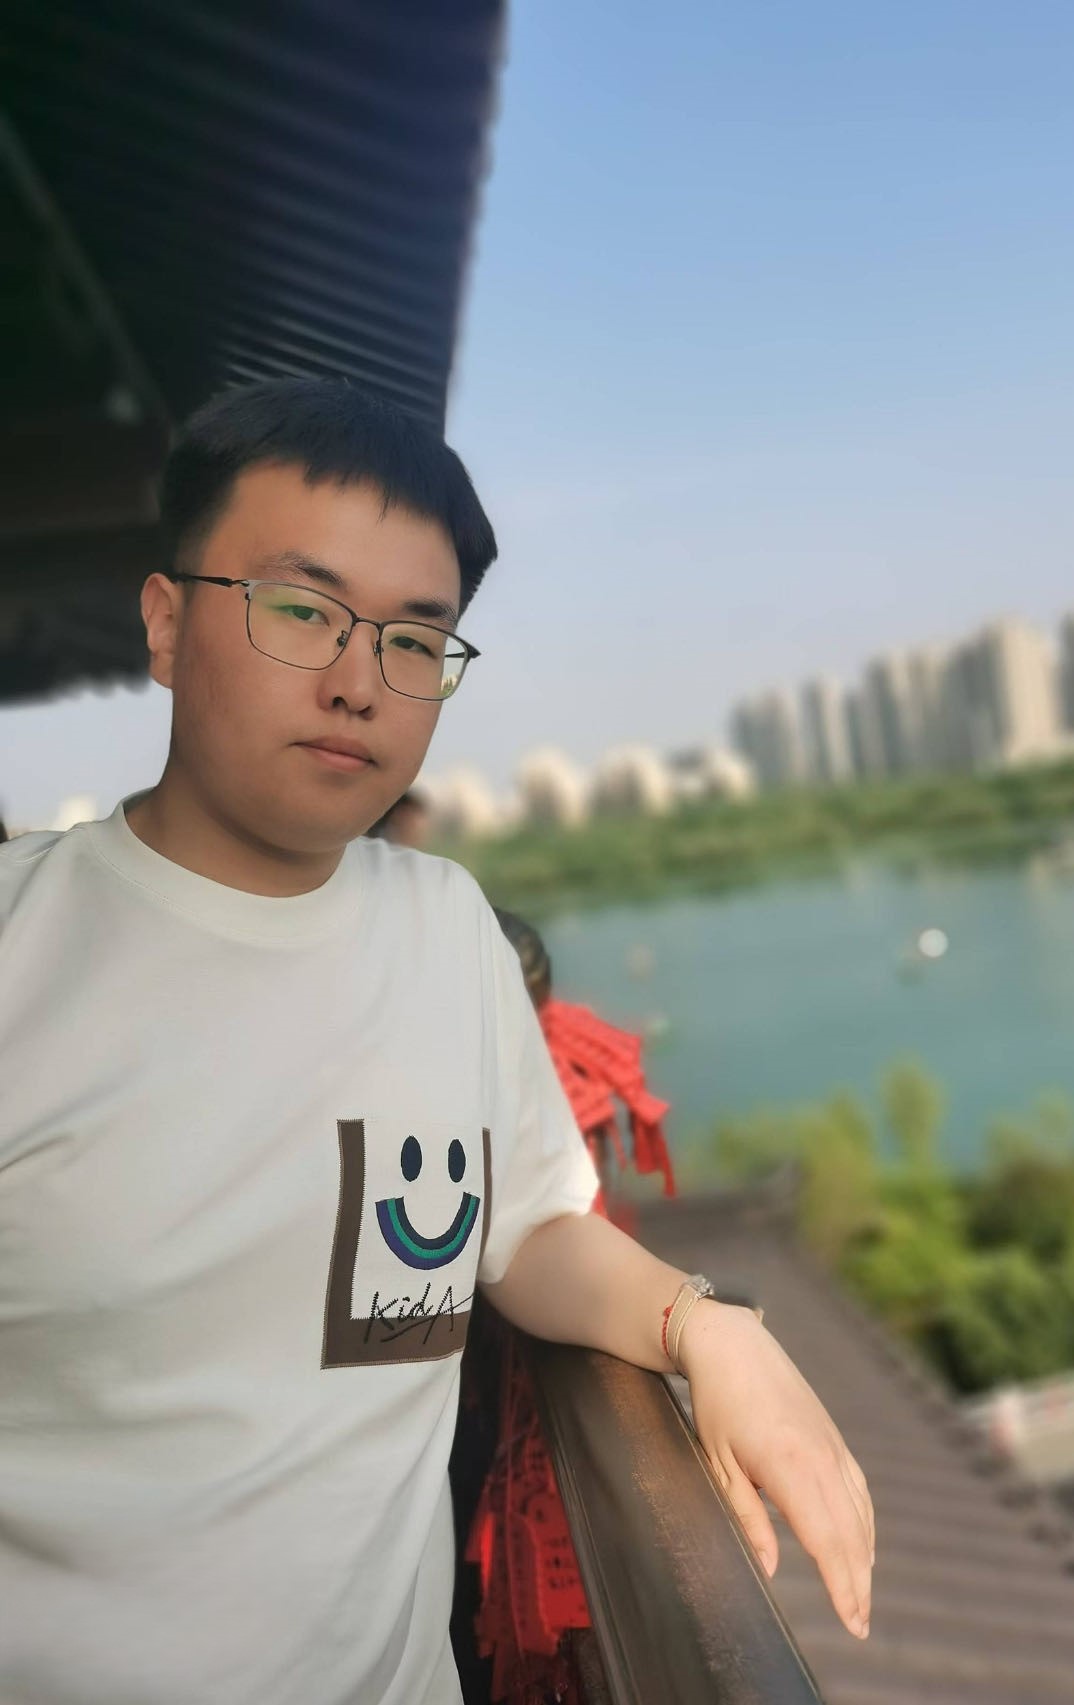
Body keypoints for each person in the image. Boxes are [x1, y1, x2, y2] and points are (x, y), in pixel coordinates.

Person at [0, 378, 874, 1705]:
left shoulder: (446, 929)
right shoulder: (25, 948)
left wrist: (705, 1328)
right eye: (302, 610)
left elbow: (526, 1227)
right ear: (168, 623)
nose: (359, 682)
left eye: (415, 639)